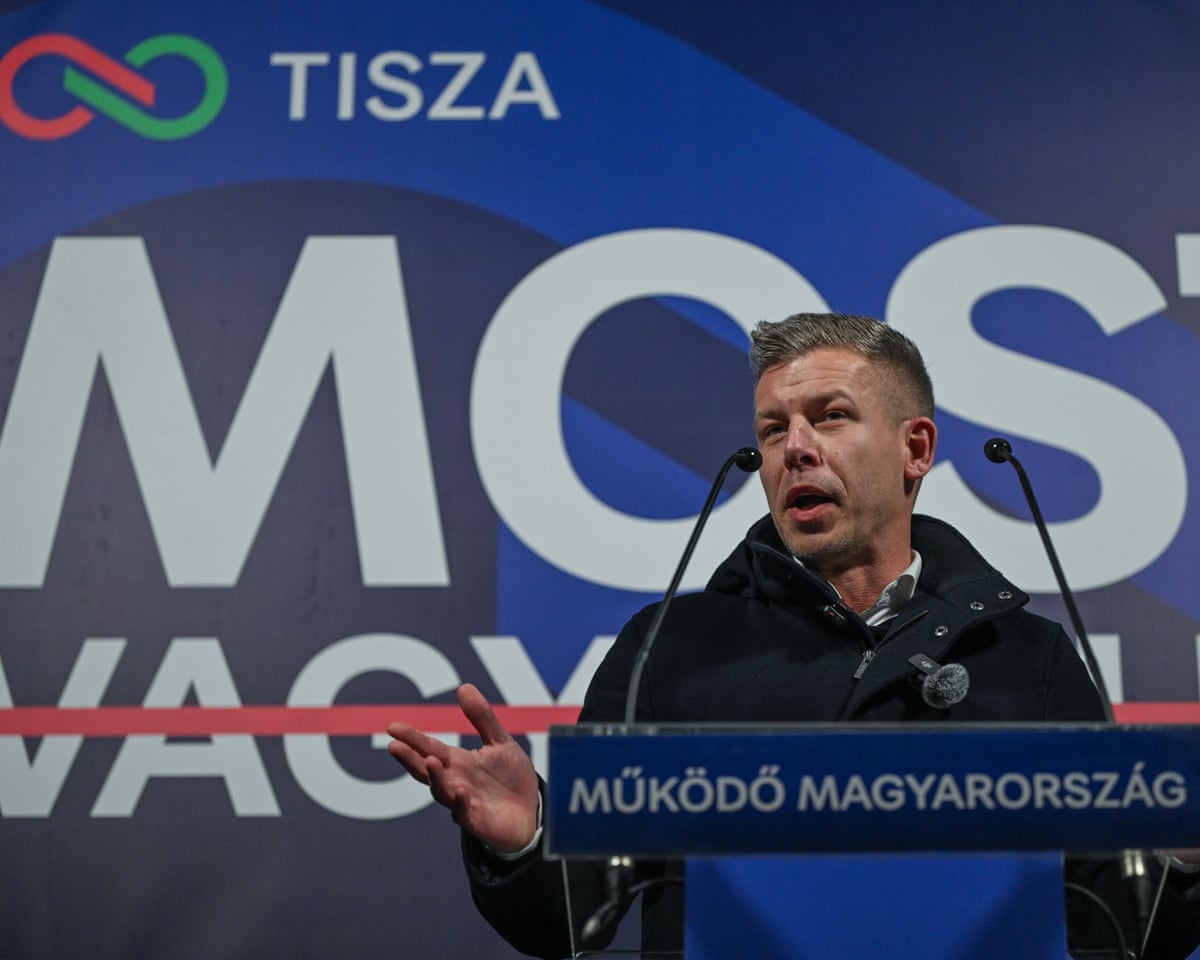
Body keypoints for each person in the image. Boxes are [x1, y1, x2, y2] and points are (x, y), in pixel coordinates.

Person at [388, 312, 1200, 959]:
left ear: (915, 448)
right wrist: (527, 837)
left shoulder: (1030, 659)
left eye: (830, 417)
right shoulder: (667, 651)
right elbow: (571, 922)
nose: (795, 449)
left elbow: (1122, 931)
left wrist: (1182, 857)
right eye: (773, 429)